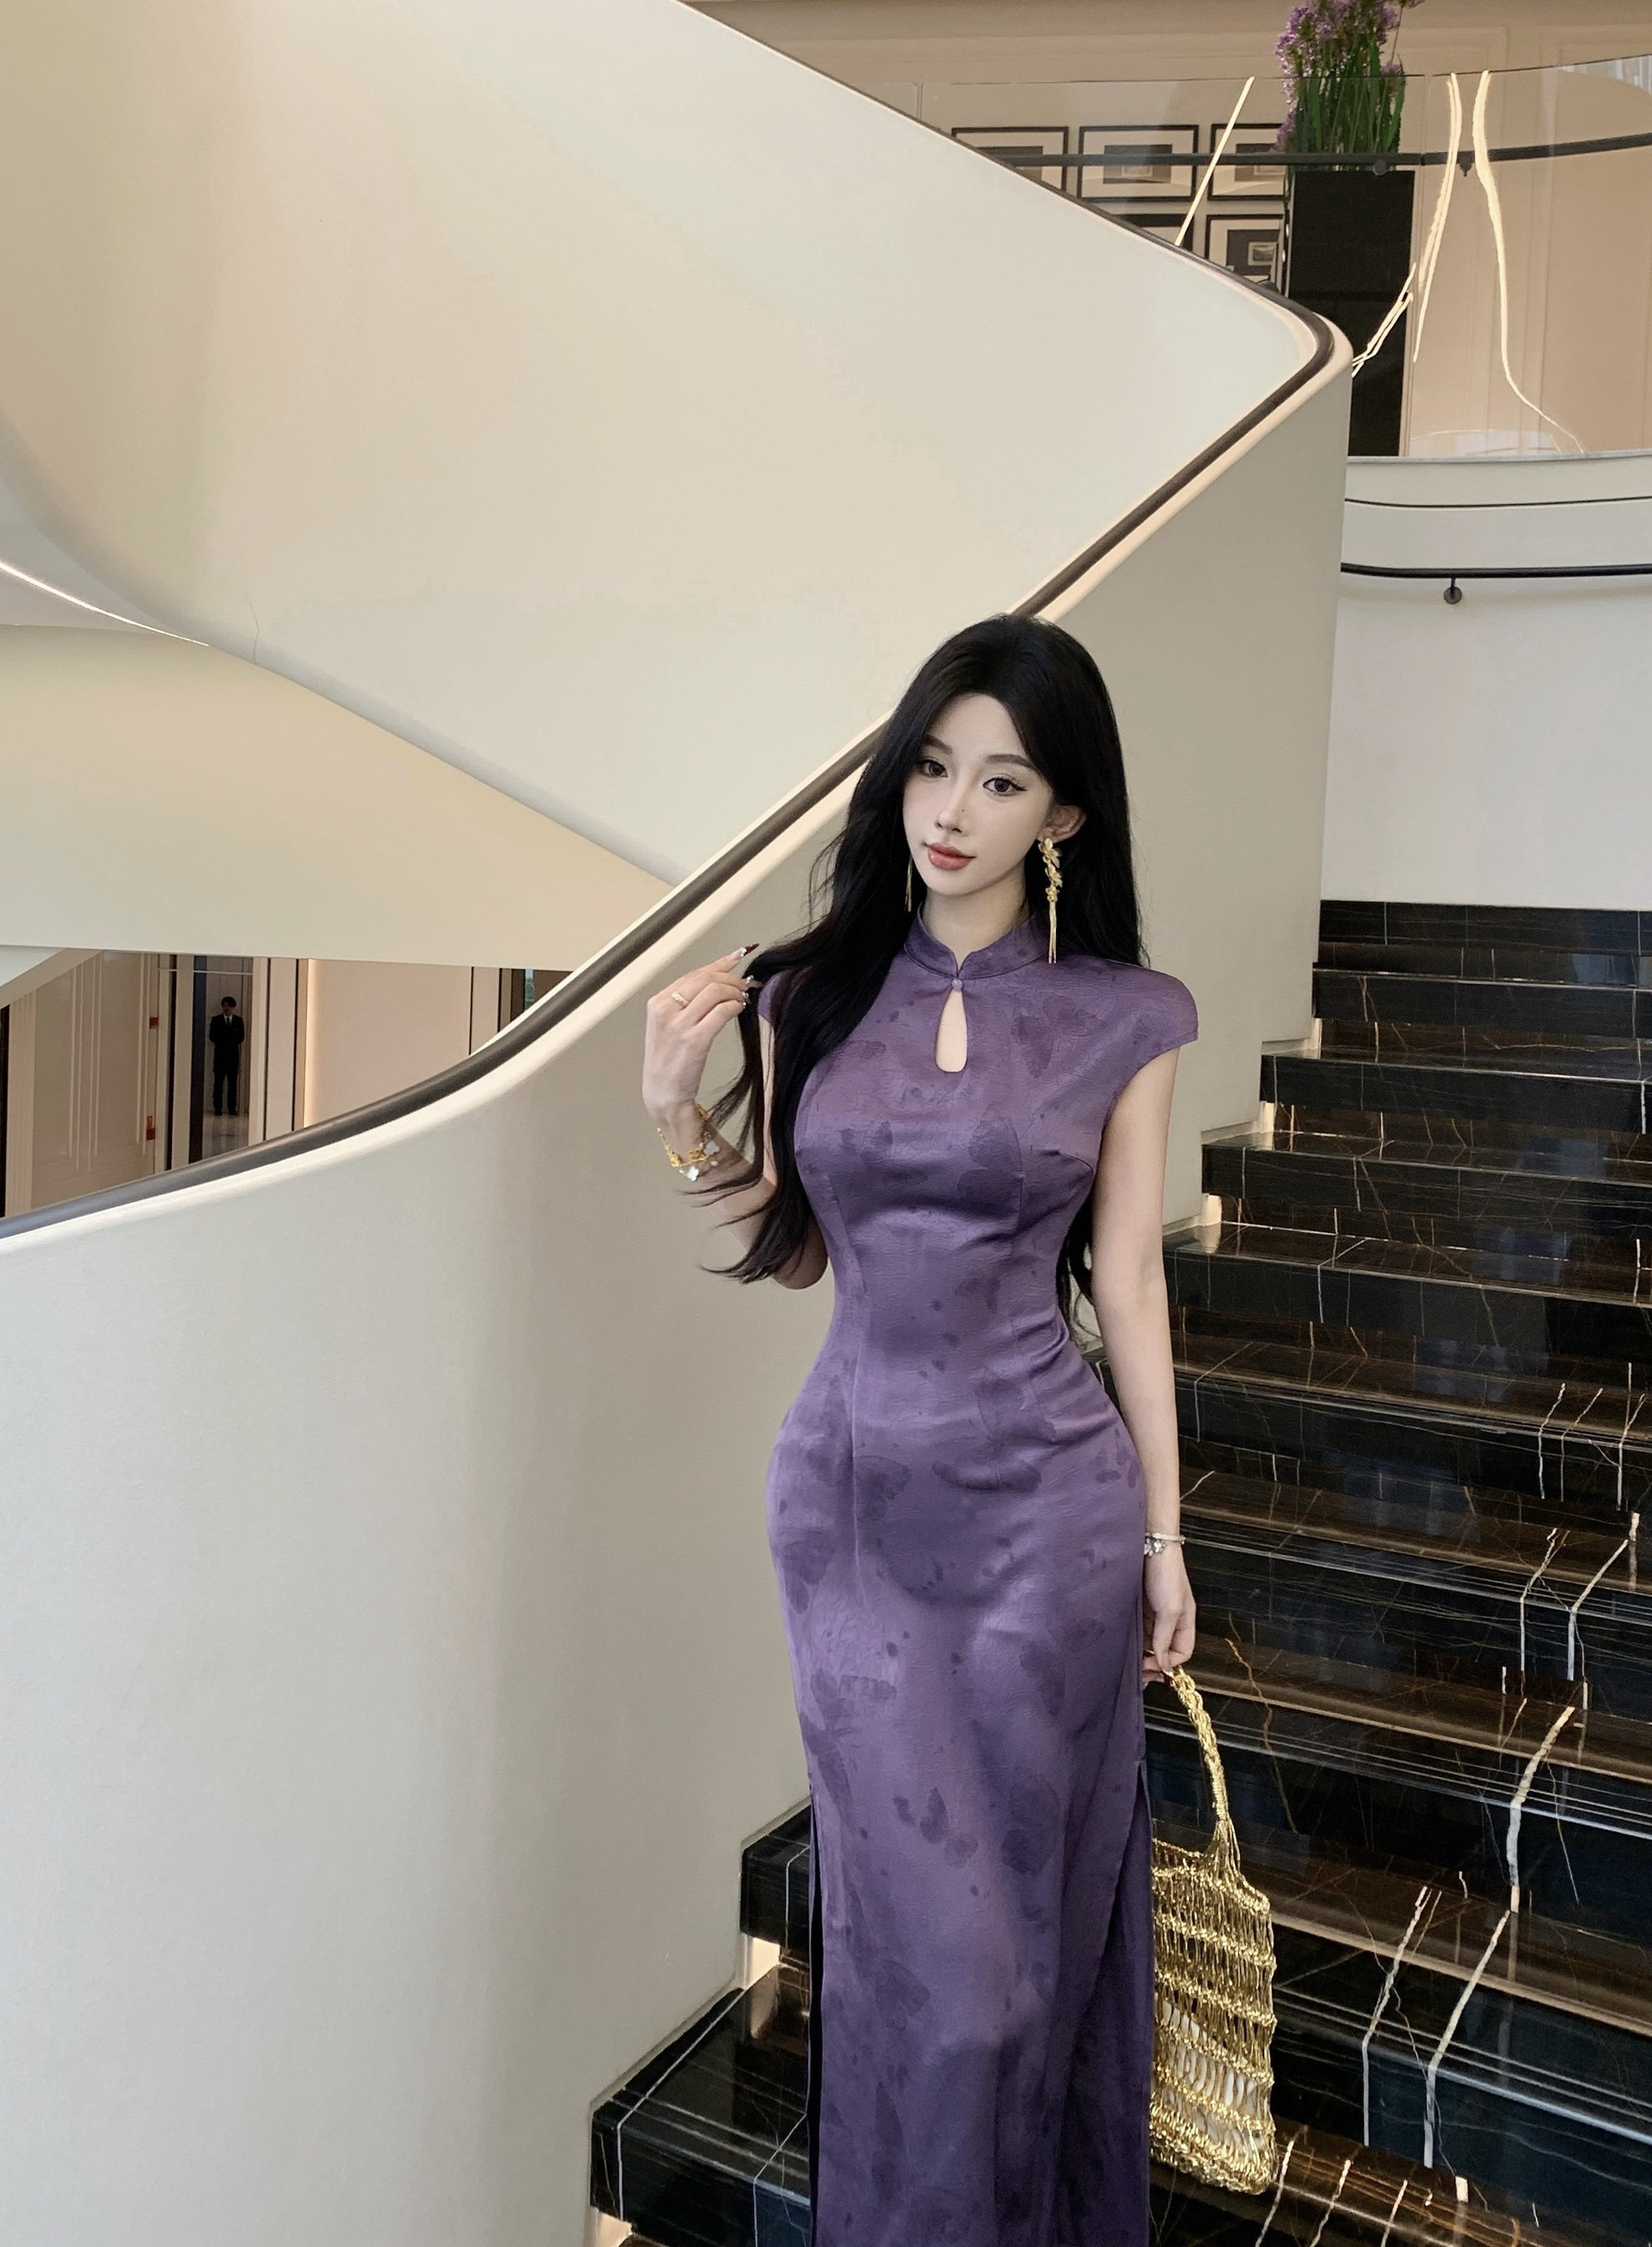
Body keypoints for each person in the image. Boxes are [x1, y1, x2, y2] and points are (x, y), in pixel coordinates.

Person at [640, 615, 1198, 2247]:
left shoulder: (1125, 1016)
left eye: (1002, 780)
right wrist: (675, 1113)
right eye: (934, 765)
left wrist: (1165, 1536)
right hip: (857, 1522)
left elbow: (1129, 1283)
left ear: (1064, 813)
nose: (953, 808)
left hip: (1051, 1527)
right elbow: (800, 1248)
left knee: (1020, 1978)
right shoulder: (805, 994)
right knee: (938, 1980)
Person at [208, 994, 245, 1117]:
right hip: (219, 1057)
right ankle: (217, 1108)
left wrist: (227, 1038)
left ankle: (232, 1108)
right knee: (218, 1084)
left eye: (228, 1006)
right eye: (224, 1006)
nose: (226, 1008)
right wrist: (228, 1038)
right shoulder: (216, 1020)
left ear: (233, 1007)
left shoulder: (238, 1021)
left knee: (232, 1085)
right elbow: (212, 1037)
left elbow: (241, 1037)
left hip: (233, 1057)